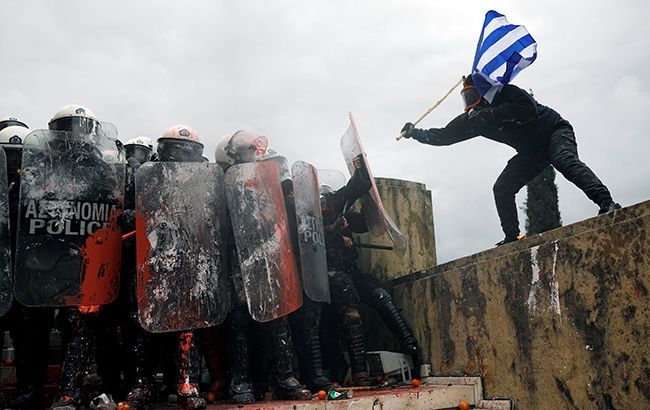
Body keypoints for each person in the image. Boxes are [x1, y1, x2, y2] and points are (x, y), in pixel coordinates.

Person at [401, 75, 621, 245]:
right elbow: (444, 137)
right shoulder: (472, 120)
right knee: (503, 188)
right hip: (530, 151)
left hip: (553, 131)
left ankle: (607, 203)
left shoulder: (506, 94)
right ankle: (512, 237)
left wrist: (492, 114)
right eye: (468, 100)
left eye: (475, 98)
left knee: (564, 160)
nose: (473, 106)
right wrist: (415, 133)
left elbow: (528, 108)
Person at [215, 131, 312, 404]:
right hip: (236, 259)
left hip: (268, 255)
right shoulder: (223, 182)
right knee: (239, 322)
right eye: (246, 150)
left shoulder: (268, 179)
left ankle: (284, 378)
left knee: (277, 318)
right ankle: (240, 380)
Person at [320, 158, 420, 384]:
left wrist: (368, 208)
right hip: (324, 281)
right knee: (329, 325)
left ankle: (410, 345)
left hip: (349, 273)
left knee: (380, 295)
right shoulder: (312, 218)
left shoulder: (341, 213)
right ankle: (345, 370)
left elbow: (365, 224)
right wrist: (359, 172)